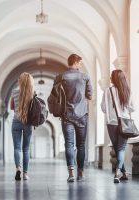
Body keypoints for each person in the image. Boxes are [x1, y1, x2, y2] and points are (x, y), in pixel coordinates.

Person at [54, 54, 92, 182]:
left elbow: (55, 96)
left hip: (66, 115)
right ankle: (80, 173)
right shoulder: (85, 77)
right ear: (75, 62)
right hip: (82, 116)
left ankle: (71, 173)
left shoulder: (60, 77)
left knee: (69, 144)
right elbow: (90, 95)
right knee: (81, 145)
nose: (80, 66)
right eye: (79, 63)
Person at [101, 69, 135, 183]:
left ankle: (120, 173)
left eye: (111, 76)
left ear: (114, 78)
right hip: (124, 124)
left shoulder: (107, 91)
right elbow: (132, 108)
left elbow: (103, 108)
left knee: (117, 149)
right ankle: (120, 173)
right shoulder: (127, 91)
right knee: (120, 149)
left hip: (111, 124)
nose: (110, 78)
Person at [10, 72, 34, 181]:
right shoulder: (32, 93)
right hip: (28, 123)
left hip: (16, 121)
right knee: (26, 149)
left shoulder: (14, 91)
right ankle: (25, 174)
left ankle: (18, 168)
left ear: (20, 81)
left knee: (17, 148)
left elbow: (11, 107)